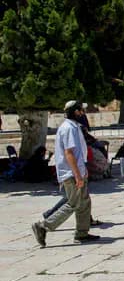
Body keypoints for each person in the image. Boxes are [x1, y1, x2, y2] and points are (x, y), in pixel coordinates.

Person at [32, 100, 99, 248]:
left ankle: (82, 233)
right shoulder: (69, 128)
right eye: (81, 110)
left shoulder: (73, 127)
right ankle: (43, 226)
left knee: (84, 202)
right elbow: (69, 153)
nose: (83, 113)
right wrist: (77, 175)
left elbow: (78, 152)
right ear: (76, 112)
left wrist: (83, 170)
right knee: (73, 203)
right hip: (71, 173)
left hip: (78, 171)